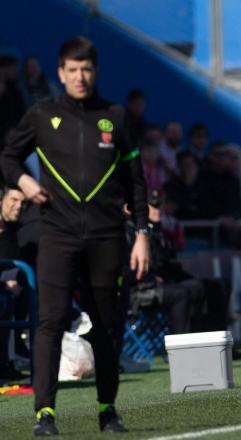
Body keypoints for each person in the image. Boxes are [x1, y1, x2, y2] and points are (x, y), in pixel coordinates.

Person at [1, 36, 149, 436]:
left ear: (95, 72)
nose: (80, 77)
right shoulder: (41, 114)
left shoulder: (116, 117)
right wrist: (26, 185)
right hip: (57, 233)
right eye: (72, 70)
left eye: (86, 69)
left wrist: (142, 235)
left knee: (106, 326)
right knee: (49, 322)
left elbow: (136, 182)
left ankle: (107, 409)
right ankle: (44, 414)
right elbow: (7, 156)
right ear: (60, 73)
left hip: (106, 236)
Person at [0, 186, 29, 383]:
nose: (18, 207)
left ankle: (8, 362)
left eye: (22, 202)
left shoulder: (12, 233)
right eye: (13, 200)